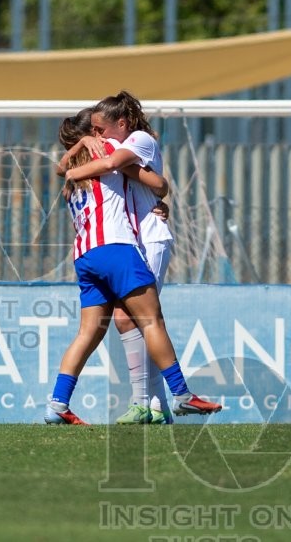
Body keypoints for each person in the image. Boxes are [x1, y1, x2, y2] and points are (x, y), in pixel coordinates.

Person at [44, 109, 221, 425]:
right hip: (116, 248)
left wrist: (79, 144)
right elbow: (158, 182)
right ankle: (182, 395)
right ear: (95, 135)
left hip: (84, 256)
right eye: (97, 130)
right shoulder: (109, 151)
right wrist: (160, 191)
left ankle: (57, 405)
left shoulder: (72, 171)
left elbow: (60, 168)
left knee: (88, 332)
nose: (104, 134)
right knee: (152, 319)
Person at [63, 92, 176, 424]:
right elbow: (150, 184)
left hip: (149, 237)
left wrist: (161, 191)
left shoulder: (136, 140)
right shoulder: (111, 149)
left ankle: (156, 403)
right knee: (132, 320)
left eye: (100, 130)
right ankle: (154, 406)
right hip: (133, 239)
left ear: (121, 124)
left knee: (141, 319)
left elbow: (150, 179)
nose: (98, 137)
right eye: (93, 131)